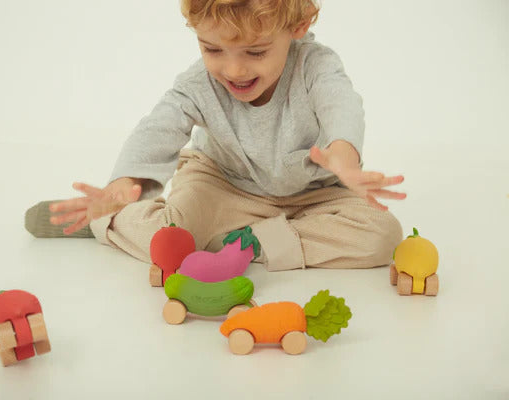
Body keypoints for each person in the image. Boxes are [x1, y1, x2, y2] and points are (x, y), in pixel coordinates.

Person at [25, 0, 406, 271]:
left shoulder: (316, 65)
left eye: (255, 51)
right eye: (212, 48)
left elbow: (341, 102)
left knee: (382, 235)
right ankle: (107, 221)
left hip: (313, 195)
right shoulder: (198, 83)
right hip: (223, 185)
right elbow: (158, 127)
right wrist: (123, 183)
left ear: (299, 25)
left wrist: (343, 154)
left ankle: (247, 243)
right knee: (170, 238)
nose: (233, 68)